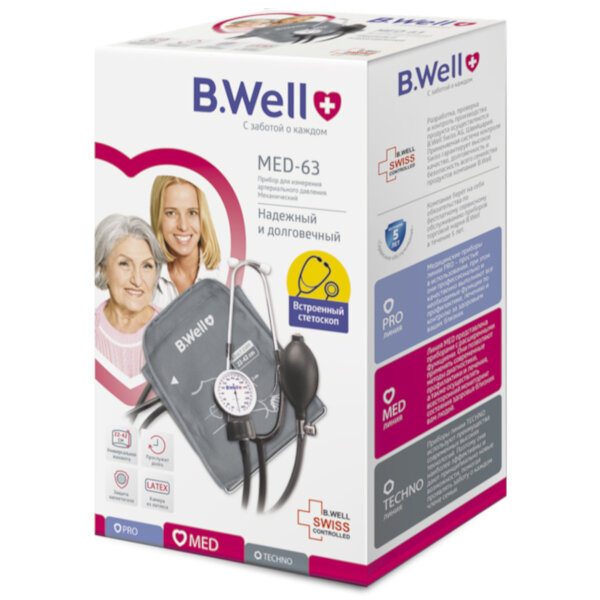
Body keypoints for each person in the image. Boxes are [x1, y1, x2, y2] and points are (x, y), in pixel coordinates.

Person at [95, 214, 165, 377]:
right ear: (102, 269)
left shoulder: (173, 330)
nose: (137, 280)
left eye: (147, 266)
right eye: (125, 264)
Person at [150, 175, 221, 308]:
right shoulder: (146, 279)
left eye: (192, 213)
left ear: (203, 216)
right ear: (157, 217)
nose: (183, 226)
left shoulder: (225, 276)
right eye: (171, 213)